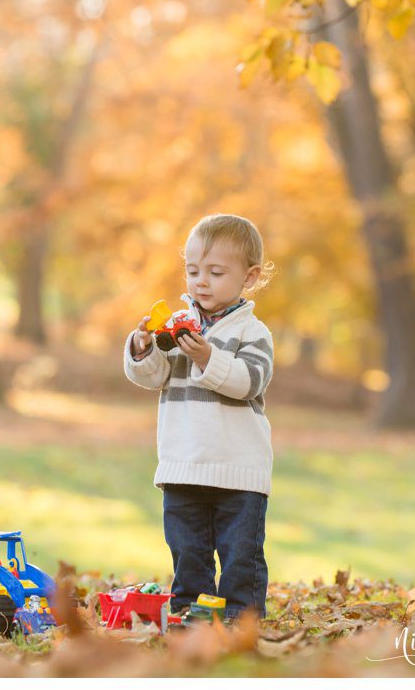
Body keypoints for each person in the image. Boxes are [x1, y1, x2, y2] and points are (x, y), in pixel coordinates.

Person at [124, 213, 274, 621]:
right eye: (193, 271)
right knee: (188, 549)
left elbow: (250, 381)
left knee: (240, 552)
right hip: (183, 463)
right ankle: (190, 614)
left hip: (237, 468)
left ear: (249, 276)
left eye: (216, 272)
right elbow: (154, 377)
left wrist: (209, 358)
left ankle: (242, 619)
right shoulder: (178, 325)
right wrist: (143, 348)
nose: (201, 281)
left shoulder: (252, 332)